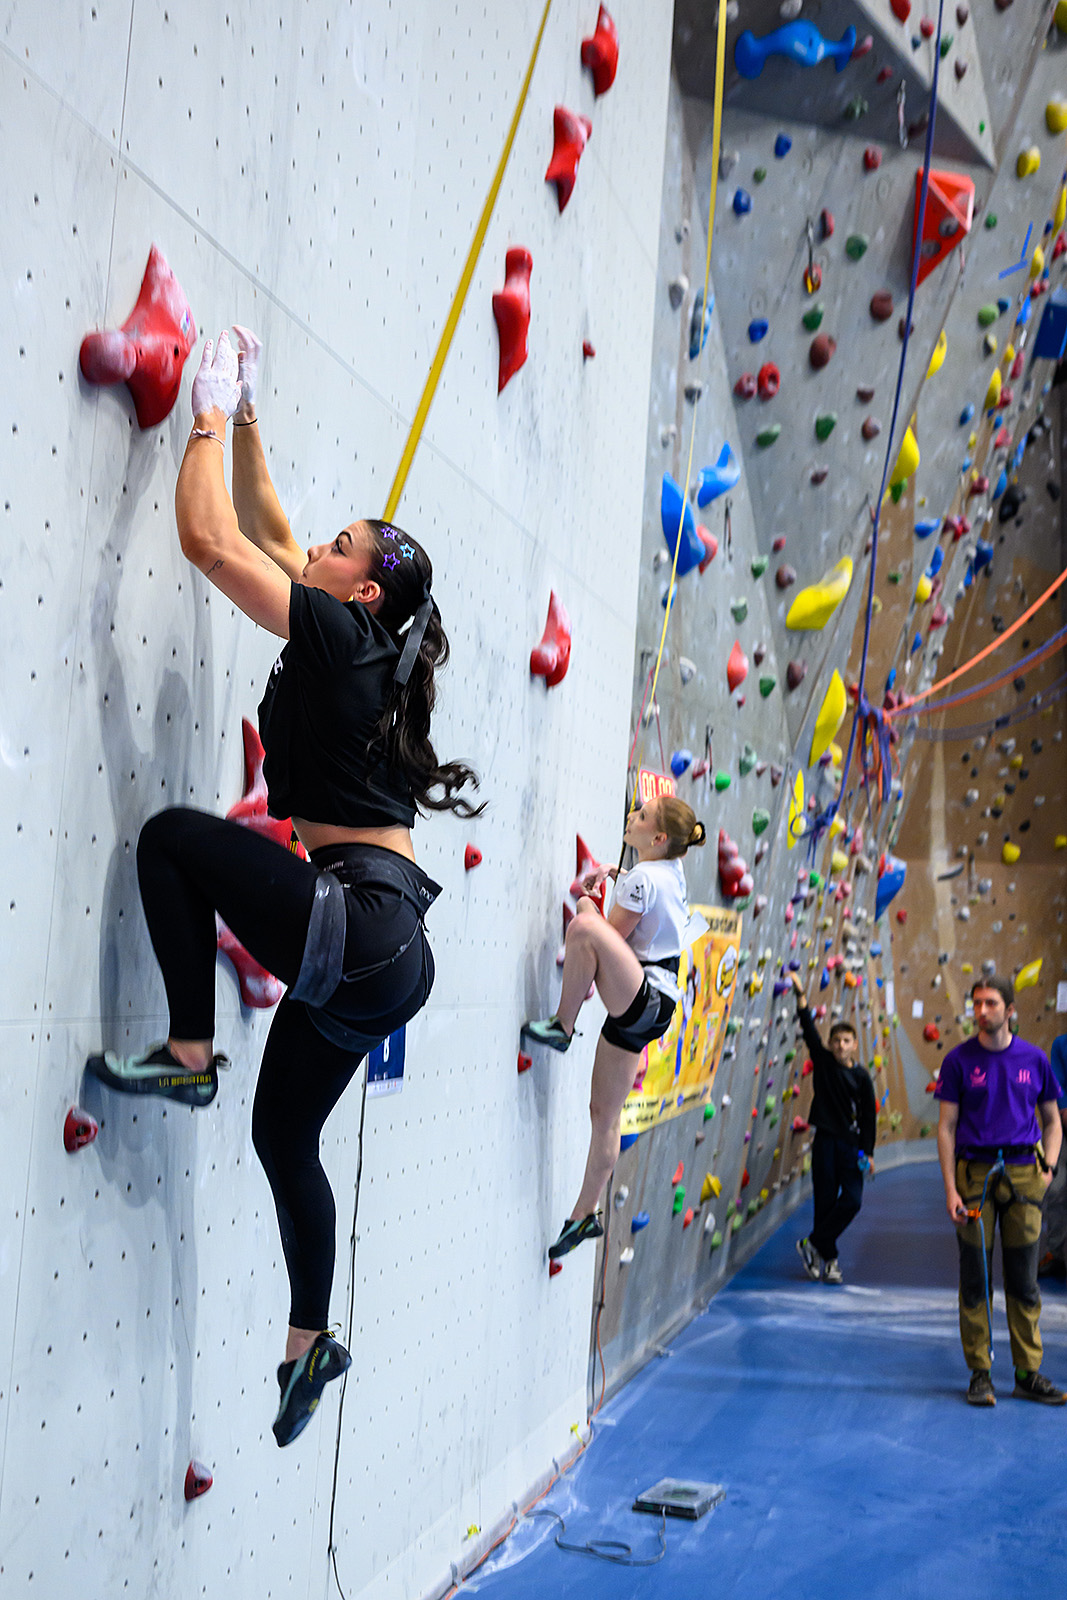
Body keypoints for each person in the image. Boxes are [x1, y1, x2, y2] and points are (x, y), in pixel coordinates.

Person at [85, 328, 483, 1445]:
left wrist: (207, 414)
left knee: (171, 841)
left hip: (361, 920)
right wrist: (253, 416)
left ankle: (189, 1053)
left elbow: (214, 540)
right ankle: (310, 1343)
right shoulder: (359, 638)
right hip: (387, 952)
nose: (317, 543)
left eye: (339, 543)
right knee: (283, 1141)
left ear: (363, 587)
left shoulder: (344, 635)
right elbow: (272, 530)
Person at [522, 797, 706, 1259]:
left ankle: (563, 1025)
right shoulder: (669, 870)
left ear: (658, 838)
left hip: (645, 996)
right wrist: (615, 874)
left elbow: (611, 934)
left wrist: (589, 898)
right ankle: (584, 1214)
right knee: (603, 1114)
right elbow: (651, 895)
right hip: (652, 1007)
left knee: (585, 928)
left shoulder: (645, 878)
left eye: (641, 817)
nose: (631, 817)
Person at [935, 976, 1064, 1407]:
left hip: (1025, 1174)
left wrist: (1049, 1167)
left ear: (1009, 1010)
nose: (981, 1011)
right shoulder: (958, 1061)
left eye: (990, 1003)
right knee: (976, 1276)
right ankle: (980, 1372)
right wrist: (950, 1189)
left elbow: (1052, 1120)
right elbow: (946, 1128)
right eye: (976, 1003)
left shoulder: (1034, 1059)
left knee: (1024, 1279)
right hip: (975, 1176)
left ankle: (1028, 1372)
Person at [789, 971, 876, 1285]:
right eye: (836, 1041)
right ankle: (830, 1261)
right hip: (825, 1142)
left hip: (851, 1147)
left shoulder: (862, 1077)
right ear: (830, 1044)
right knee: (825, 1201)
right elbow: (809, 1028)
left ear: (854, 1045)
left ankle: (811, 1243)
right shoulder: (824, 1063)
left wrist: (868, 1152)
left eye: (846, 1041)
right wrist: (801, 996)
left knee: (852, 1200)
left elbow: (868, 1117)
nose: (840, 1045)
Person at [1037, 1030, 1067, 1279]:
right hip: (1065, 1130)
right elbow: (1059, 1090)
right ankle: (1057, 1254)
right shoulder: (1061, 1044)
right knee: (1057, 1189)